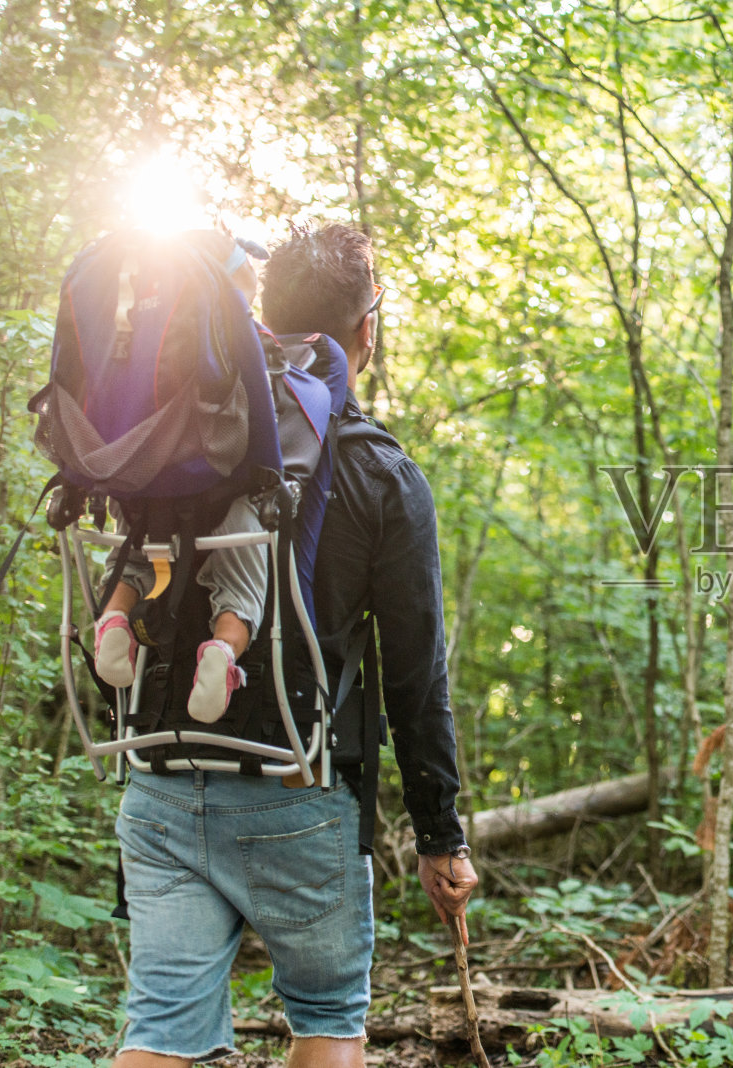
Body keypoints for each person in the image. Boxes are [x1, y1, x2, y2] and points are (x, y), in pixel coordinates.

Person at [112, 222, 478, 1068]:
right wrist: (440, 836)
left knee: (160, 1029)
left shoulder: (186, 438)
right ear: (367, 328)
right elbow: (416, 679)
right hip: (299, 787)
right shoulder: (383, 473)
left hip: (161, 780)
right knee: (325, 1016)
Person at [94, 229, 269, 724]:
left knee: (134, 563)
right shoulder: (239, 342)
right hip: (222, 498)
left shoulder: (136, 346)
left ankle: (112, 622)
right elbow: (267, 437)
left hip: (143, 499)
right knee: (240, 590)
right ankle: (223, 652)